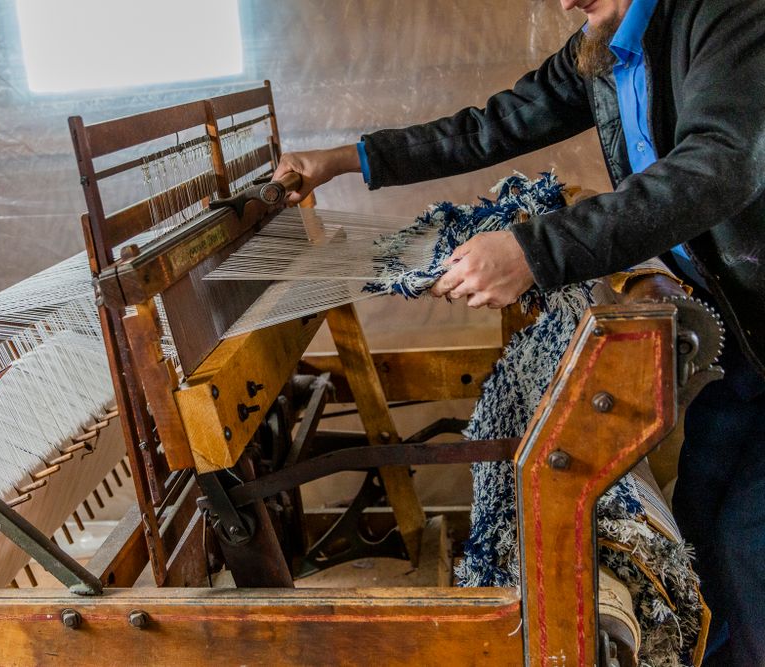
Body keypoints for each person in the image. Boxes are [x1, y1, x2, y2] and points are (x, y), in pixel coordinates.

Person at [273, 0, 765, 664]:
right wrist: (339, 160)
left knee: (745, 545)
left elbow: (720, 165)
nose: (567, 2)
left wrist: (534, 251)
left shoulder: (726, 17)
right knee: (704, 523)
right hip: (744, 341)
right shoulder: (603, 45)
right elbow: (490, 126)